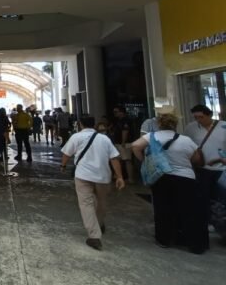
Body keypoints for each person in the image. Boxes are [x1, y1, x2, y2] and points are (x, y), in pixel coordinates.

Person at [131, 112, 208, 254]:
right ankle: (193, 243)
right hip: (185, 177)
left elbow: (135, 146)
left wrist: (145, 161)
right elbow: (196, 159)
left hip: (162, 177)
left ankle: (164, 239)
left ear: (159, 124)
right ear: (175, 125)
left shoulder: (152, 137)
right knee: (188, 210)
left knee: (162, 208)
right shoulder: (186, 140)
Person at [60, 115, 125, 251]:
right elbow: (114, 158)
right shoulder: (104, 139)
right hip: (103, 176)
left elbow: (67, 154)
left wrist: (63, 166)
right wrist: (119, 176)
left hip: (83, 175)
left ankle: (94, 236)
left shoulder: (76, 137)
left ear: (80, 124)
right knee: (101, 202)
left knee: (86, 204)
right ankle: (99, 224)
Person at [184, 104, 226, 205]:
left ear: (209, 115)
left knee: (222, 197)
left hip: (223, 169)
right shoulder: (190, 128)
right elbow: (186, 145)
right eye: (196, 117)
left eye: (201, 117)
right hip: (202, 169)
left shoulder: (223, 126)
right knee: (204, 198)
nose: (198, 120)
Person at [110, 106, 134, 184]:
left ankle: (130, 178)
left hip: (124, 143)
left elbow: (125, 131)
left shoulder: (125, 120)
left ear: (121, 112)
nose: (115, 114)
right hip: (119, 143)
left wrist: (123, 142)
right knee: (119, 159)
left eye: (116, 112)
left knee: (127, 160)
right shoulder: (118, 120)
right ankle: (119, 176)